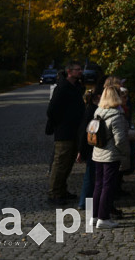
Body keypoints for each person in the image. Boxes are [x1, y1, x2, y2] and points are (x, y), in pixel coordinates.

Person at [91, 85, 131, 229]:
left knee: (98, 185)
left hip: (97, 153)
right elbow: (120, 140)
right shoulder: (116, 115)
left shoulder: (98, 111)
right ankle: (104, 217)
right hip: (110, 155)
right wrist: (126, 154)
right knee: (108, 186)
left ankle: (94, 216)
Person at [46, 61, 85, 202]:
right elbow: (51, 111)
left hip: (74, 130)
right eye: (77, 69)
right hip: (64, 131)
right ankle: (54, 193)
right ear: (69, 71)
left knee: (67, 163)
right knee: (60, 163)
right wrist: (63, 122)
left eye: (81, 69)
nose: (80, 72)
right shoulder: (62, 87)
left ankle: (62, 190)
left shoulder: (76, 87)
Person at [75, 87, 100, 210]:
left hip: (89, 147)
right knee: (90, 176)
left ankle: (84, 202)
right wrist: (81, 150)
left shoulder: (89, 110)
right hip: (91, 148)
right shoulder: (93, 111)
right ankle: (84, 202)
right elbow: (84, 132)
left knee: (90, 176)